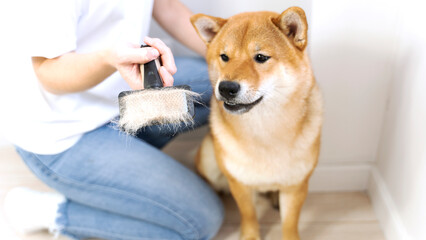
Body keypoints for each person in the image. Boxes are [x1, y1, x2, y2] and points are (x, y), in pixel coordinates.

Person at [1, 0, 224, 239]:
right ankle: (52, 211)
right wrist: (109, 59)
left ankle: (127, 176)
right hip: (65, 136)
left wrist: (233, 60)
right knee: (201, 220)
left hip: (122, 96)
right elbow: (48, 72)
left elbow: (166, 6)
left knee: (227, 85)